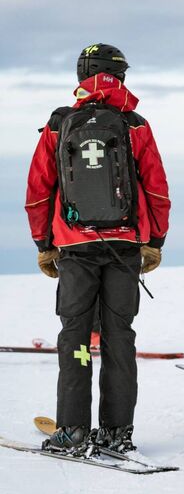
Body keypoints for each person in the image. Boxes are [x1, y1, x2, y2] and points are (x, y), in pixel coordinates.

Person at [25, 43, 171, 453]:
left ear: (81, 76)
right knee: (119, 339)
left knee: (75, 337)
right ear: (120, 76)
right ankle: (117, 433)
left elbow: (39, 190)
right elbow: (156, 188)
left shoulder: (59, 124)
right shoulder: (135, 124)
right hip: (124, 248)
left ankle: (72, 431)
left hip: (74, 248)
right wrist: (155, 240)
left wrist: (44, 243)